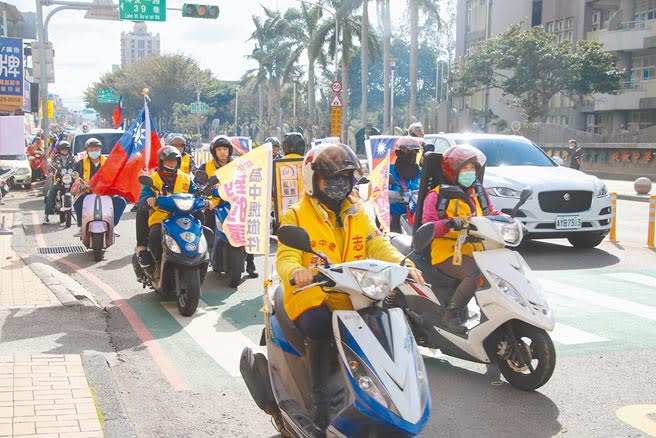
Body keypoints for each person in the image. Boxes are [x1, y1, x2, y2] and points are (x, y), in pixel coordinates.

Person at [276, 143, 424, 428]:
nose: (338, 184)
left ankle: (389, 398)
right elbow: (287, 255)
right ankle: (322, 409)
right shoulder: (296, 214)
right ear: (312, 179)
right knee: (320, 325)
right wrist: (297, 271)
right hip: (314, 295)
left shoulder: (358, 211)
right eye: (331, 178)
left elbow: (376, 243)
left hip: (356, 293)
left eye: (344, 178)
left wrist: (404, 265)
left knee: (386, 319)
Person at [421, 144, 505, 333]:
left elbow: (489, 212)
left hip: (477, 250)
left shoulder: (478, 191)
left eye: (472, 168)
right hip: (447, 252)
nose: (470, 172)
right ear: (453, 171)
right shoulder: (437, 195)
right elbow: (428, 225)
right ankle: (451, 314)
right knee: (474, 274)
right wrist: (449, 223)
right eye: (465, 168)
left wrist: (507, 218)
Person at [135, 146, 216, 268]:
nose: (171, 164)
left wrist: (206, 200)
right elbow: (145, 195)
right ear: (161, 162)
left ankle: (203, 253)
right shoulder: (154, 179)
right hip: (162, 216)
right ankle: (151, 257)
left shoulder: (185, 178)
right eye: (168, 161)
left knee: (201, 220)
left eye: (174, 161)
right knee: (154, 234)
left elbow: (195, 192)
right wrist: (148, 198)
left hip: (184, 214)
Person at [198, 135, 258, 278]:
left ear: (229, 150)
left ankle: (250, 262)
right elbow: (198, 183)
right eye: (219, 149)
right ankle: (206, 257)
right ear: (214, 151)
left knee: (249, 230)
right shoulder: (206, 166)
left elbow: (251, 179)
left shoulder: (239, 165)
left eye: (225, 149)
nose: (222, 152)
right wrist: (203, 190)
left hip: (237, 204)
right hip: (213, 204)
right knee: (205, 224)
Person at [72, 138, 126, 227]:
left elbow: (115, 175)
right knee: (77, 201)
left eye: (96, 149)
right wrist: (80, 184)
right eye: (91, 149)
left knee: (120, 201)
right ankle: (81, 225)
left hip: (106, 192)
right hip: (87, 191)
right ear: (87, 151)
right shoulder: (80, 163)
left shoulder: (108, 162)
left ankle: (112, 224)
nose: (94, 151)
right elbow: (76, 177)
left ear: (100, 150)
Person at [389, 136, 423, 233]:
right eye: (408, 152)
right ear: (398, 153)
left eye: (414, 152)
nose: (411, 155)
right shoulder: (389, 170)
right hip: (394, 217)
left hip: (415, 217)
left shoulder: (421, 172)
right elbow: (379, 191)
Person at [44, 141, 76, 223]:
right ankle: (46, 216)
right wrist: (50, 170)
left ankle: (82, 214)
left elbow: (77, 166)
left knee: (81, 191)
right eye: (62, 149)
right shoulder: (55, 158)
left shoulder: (73, 158)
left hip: (70, 179)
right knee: (51, 193)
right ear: (59, 150)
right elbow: (51, 166)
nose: (64, 151)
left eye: (66, 149)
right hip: (58, 179)